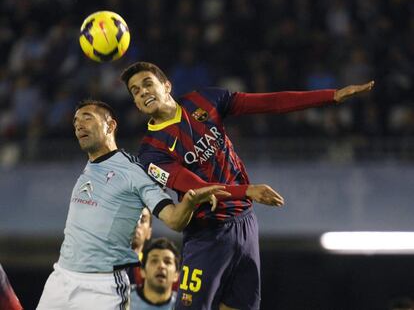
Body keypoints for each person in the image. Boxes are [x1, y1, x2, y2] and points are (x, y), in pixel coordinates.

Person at [120, 61, 374, 310]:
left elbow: (269, 103)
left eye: (147, 84)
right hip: (207, 233)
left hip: (246, 223)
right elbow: (195, 187)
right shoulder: (151, 153)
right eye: (136, 91)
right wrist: (247, 191)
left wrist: (331, 96)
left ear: (166, 85)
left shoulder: (204, 100)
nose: (143, 92)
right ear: (136, 103)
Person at [37, 100, 230, 310]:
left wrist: (191, 201)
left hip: (101, 289)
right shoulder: (91, 163)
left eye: (87, 118)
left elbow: (174, 219)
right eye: (76, 122)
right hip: (61, 278)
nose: (79, 125)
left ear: (110, 126)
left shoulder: (135, 172)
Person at [130, 238, 180, 310]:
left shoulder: (184, 306)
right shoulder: (121, 299)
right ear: (142, 271)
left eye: (167, 262)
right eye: (154, 261)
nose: (161, 266)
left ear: (176, 275)